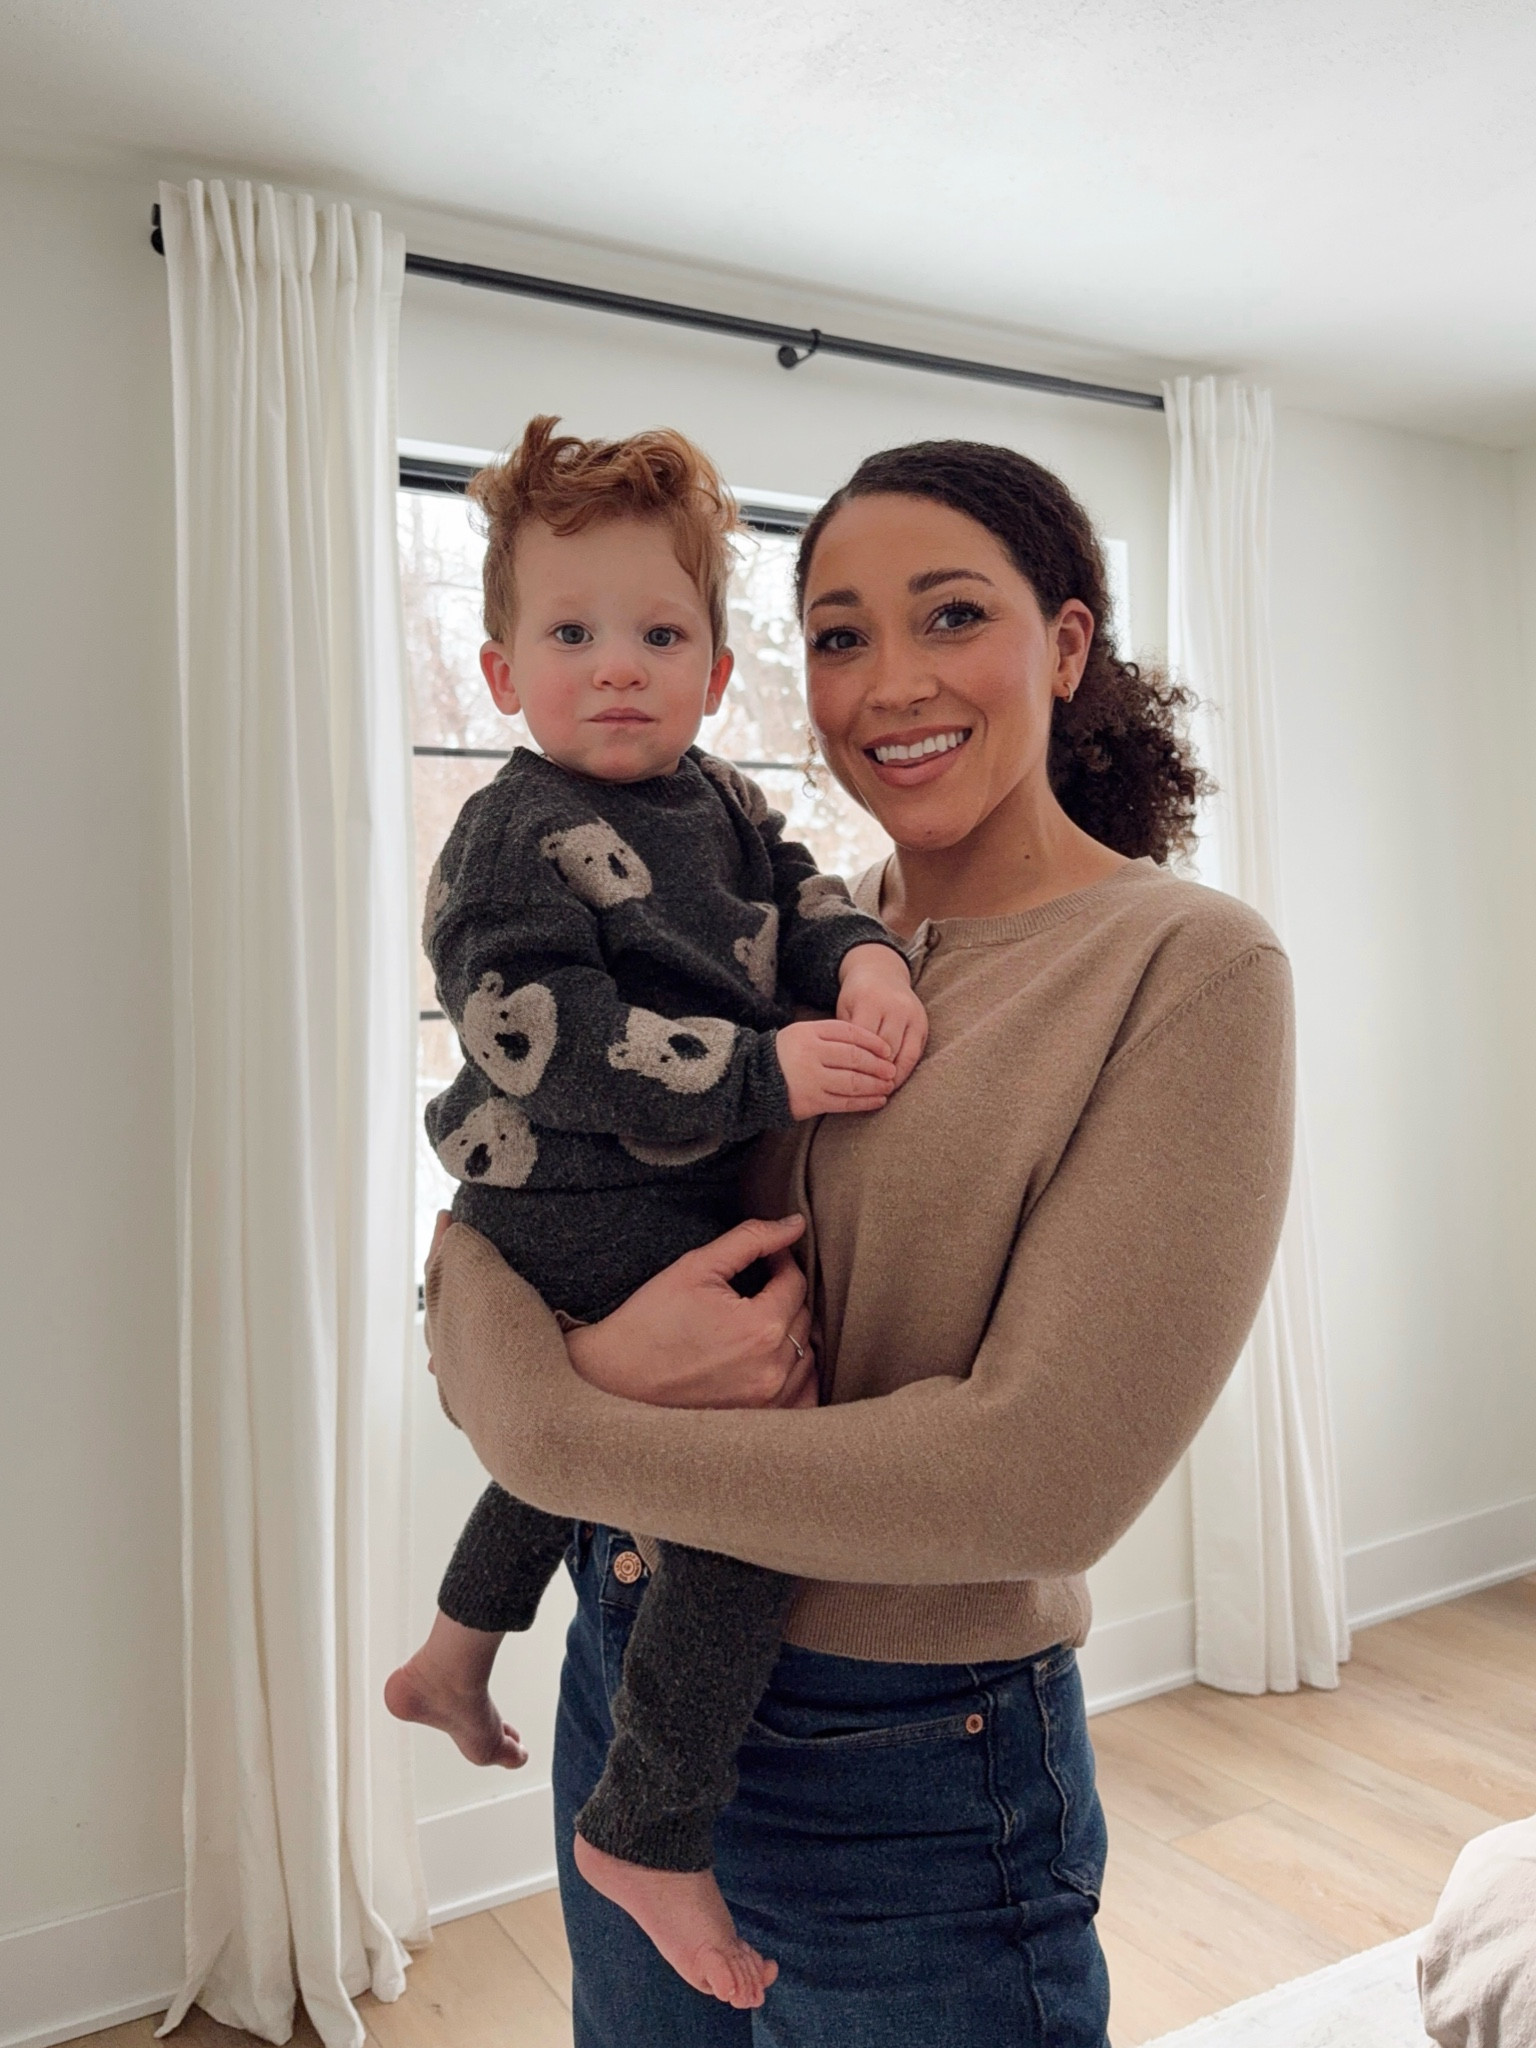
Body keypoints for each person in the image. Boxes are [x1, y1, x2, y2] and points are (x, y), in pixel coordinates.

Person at [425, 437, 1297, 2048]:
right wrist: (589, 1374)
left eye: (949, 614)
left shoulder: (1187, 969)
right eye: (839, 634)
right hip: (629, 1675)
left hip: (906, 1757)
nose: (889, 681)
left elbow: (1045, 1482)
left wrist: (560, 1426)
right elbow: (486, 1242)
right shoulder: (770, 930)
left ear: (1065, 645)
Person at [386, 416, 926, 2009]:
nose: (616, 667)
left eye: (658, 633)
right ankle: (649, 1820)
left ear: (712, 668)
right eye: (571, 634)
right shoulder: (515, 830)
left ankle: (454, 1651)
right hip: (562, 1185)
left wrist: (871, 962)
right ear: (500, 676)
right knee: (746, 1483)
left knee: (598, 1431)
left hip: (648, 1192)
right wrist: (767, 1077)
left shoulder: (724, 806)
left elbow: (813, 899)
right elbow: (532, 1042)